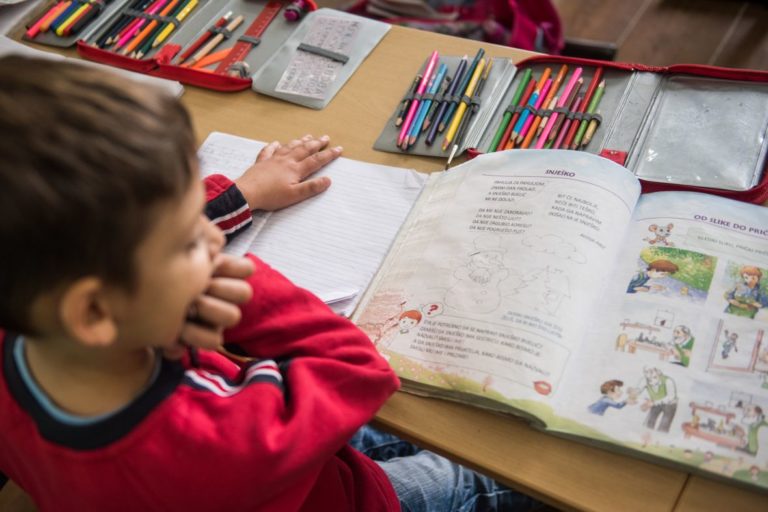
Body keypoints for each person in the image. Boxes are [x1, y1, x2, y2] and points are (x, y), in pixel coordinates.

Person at [0, 56, 541, 511]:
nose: (211, 244)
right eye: (190, 242)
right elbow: (355, 369)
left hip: (255, 458)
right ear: (94, 313)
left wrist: (239, 195)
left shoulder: (33, 316)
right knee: (495, 472)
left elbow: (114, 232)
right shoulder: (214, 443)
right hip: (348, 498)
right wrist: (251, 288)